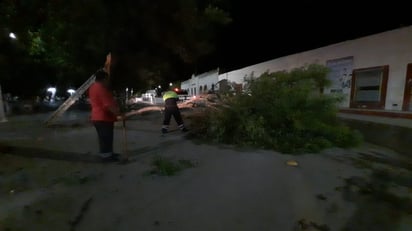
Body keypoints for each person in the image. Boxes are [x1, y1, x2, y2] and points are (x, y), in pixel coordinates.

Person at [89, 69, 124, 161]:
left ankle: (108, 153)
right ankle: (106, 156)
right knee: (106, 137)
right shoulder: (101, 88)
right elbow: (107, 105)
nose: (108, 81)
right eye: (107, 79)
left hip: (98, 117)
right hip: (103, 117)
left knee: (105, 137)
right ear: (104, 79)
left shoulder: (93, 87)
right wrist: (118, 114)